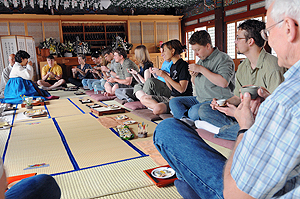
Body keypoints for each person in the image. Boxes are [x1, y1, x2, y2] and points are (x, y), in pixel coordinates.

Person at [154, 0, 300, 198]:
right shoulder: (247, 69)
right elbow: (236, 96)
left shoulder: (285, 97)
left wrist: (245, 128)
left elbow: (236, 193)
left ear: (289, 29)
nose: (268, 39)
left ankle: (198, 179)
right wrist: (230, 106)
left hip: (249, 186)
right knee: (185, 106)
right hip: (233, 112)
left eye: (269, 31)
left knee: (167, 129)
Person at [198, 19, 286, 140]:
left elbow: (276, 109)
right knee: (204, 109)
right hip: (244, 115)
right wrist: (223, 103)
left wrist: (237, 114)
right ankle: (237, 130)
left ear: (250, 41)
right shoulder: (243, 66)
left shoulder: (273, 66)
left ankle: (227, 131)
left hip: (264, 118)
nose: (235, 42)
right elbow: (237, 97)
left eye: (238, 38)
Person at [169, 30, 235, 122]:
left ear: (208, 46)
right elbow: (195, 83)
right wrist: (193, 76)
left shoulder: (223, 59)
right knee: (174, 102)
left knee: (195, 111)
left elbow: (224, 82)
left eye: (197, 50)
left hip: (215, 100)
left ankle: (187, 117)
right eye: (194, 50)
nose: (196, 54)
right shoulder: (202, 60)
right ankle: (185, 119)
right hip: (200, 99)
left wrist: (201, 69)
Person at [139, 40, 193, 115]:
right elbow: (171, 88)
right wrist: (163, 76)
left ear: (172, 51)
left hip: (180, 99)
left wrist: (165, 76)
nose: (162, 54)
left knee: (157, 109)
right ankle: (165, 108)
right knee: (144, 98)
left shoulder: (183, 65)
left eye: (164, 51)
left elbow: (181, 89)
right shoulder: (172, 66)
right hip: (171, 97)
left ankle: (162, 108)